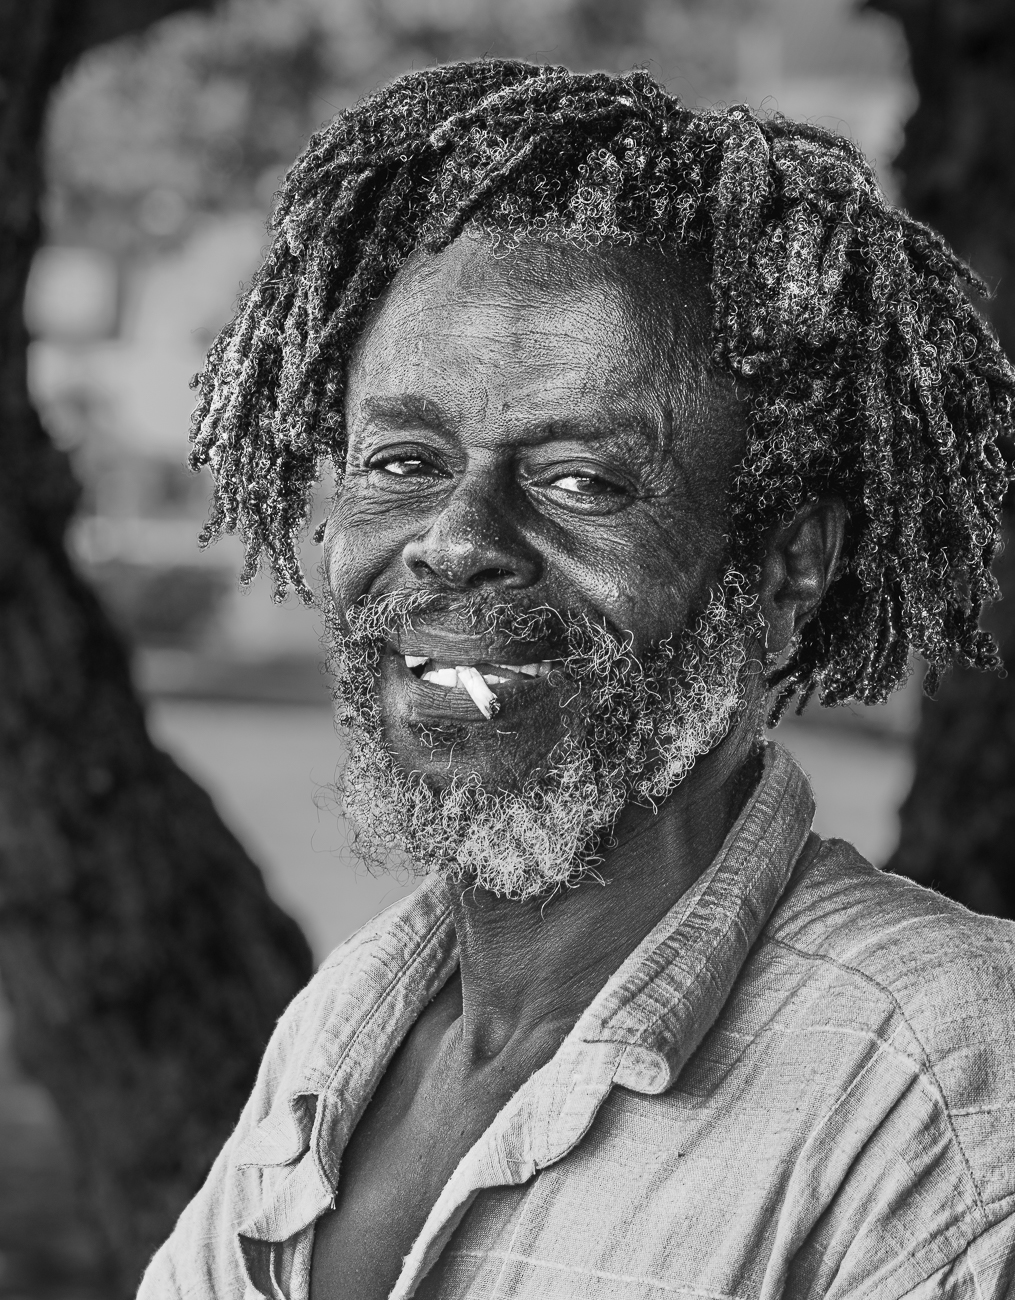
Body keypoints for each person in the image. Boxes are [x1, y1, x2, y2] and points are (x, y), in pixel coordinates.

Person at [140, 61, 1015, 1300]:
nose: (453, 540)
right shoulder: (345, 1029)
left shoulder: (942, 1080)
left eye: (579, 481)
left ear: (782, 565)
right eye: (401, 460)